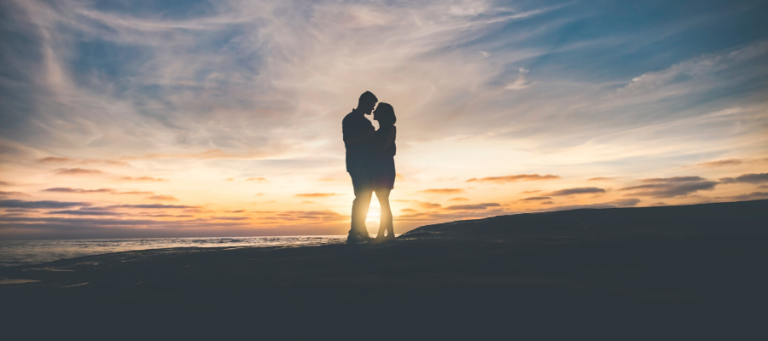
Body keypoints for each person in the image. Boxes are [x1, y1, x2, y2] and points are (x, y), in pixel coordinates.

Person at [342, 91, 378, 244]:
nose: (373, 109)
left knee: (366, 196)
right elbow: (349, 141)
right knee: (361, 196)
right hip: (357, 163)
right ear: (364, 103)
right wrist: (368, 136)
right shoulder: (350, 119)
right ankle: (354, 232)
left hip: (367, 164)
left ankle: (361, 230)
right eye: (372, 105)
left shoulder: (366, 122)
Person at [371, 103, 397, 243]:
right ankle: (390, 234)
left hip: (385, 168)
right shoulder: (375, 132)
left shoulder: (391, 129)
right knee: (383, 202)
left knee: (384, 202)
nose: (374, 111)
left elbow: (386, 146)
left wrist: (372, 137)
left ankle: (382, 234)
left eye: (378, 110)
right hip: (377, 168)